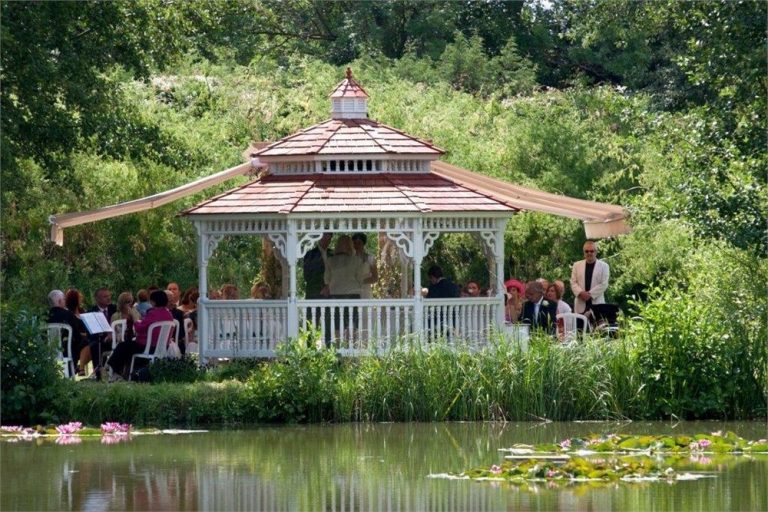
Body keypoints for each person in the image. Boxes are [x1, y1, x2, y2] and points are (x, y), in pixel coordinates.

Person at [107, 290, 173, 381]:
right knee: (128, 346)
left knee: (123, 346)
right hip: (163, 346)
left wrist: (134, 318)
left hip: (148, 346)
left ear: (153, 302)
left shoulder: (153, 314)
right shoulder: (168, 314)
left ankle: (115, 372)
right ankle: (125, 372)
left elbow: (139, 328)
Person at [324, 235, 366, 344]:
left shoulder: (330, 261)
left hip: (335, 296)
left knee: (337, 325)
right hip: (352, 296)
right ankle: (351, 352)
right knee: (352, 324)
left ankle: (339, 351)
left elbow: (326, 280)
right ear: (350, 246)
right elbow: (361, 279)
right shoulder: (357, 260)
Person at [47, 289, 90, 375]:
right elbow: (77, 336)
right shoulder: (68, 314)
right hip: (66, 349)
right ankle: (76, 368)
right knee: (87, 342)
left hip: (49, 349)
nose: (65, 302)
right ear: (59, 301)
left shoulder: (45, 316)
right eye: (64, 300)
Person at [570, 240, 610, 315]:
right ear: (584, 252)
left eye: (591, 251)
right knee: (580, 326)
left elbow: (604, 284)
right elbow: (573, 282)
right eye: (587, 251)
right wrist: (581, 293)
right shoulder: (576, 265)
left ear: (596, 252)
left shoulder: (604, 266)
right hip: (580, 304)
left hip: (597, 304)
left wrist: (590, 294)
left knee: (598, 326)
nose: (589, 253)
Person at [87, 287, 117, 377]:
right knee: (95, 346)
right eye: (105, 296)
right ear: (97, 299)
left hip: (115, 339)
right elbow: (90, 332)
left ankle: (117, 372)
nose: (108, 298)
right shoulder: (91, 311)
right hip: (99, 340)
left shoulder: (114, 309)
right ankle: (99, 373)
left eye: (109, 296)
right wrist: (104, 337)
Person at [303, 233, 332, 299]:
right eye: (324, 238)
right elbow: (307, 276)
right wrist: (323, 287)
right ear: (320, 238)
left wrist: (329, 286)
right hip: (315, 295)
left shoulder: (333, 254)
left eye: (329, 239)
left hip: (330, 295)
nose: (326, 241)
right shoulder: (310, 254)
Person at [352, 233, 378, 299]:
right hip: (352, 290)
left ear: (363, 244)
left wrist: (361, 281)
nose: (356, 245)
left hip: (365, 291)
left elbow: (375, 278)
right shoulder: (349, 258)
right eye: (354, 243)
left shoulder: (370, 258)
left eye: (359, 243)